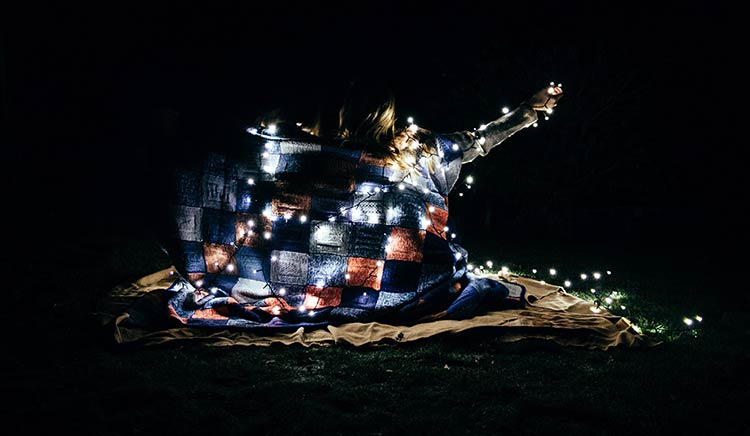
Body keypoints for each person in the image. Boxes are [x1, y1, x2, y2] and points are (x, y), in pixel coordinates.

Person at [159, 81, 563, 328]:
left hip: (305, 280)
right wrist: (528, 111)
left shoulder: (299, 151)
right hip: (383, 280)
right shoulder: (401, 149)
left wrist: (178, 129)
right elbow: (476, 141)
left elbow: (229, 155)